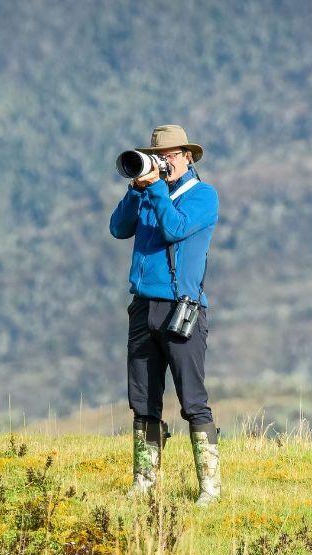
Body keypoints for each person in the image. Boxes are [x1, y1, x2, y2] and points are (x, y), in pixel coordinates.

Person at [108, 124, 221, 505]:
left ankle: (210, 487)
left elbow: (174, 228)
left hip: (181, 309)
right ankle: (144, 481)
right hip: (143, 307)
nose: (163, 162)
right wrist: (136, 188)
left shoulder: (203, 196)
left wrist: (155, 188)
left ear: (187, 157)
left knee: (192, 400)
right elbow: (117, 228)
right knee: (142, 399)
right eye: (157, 156)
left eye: (169, 156)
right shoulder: (148, 193)